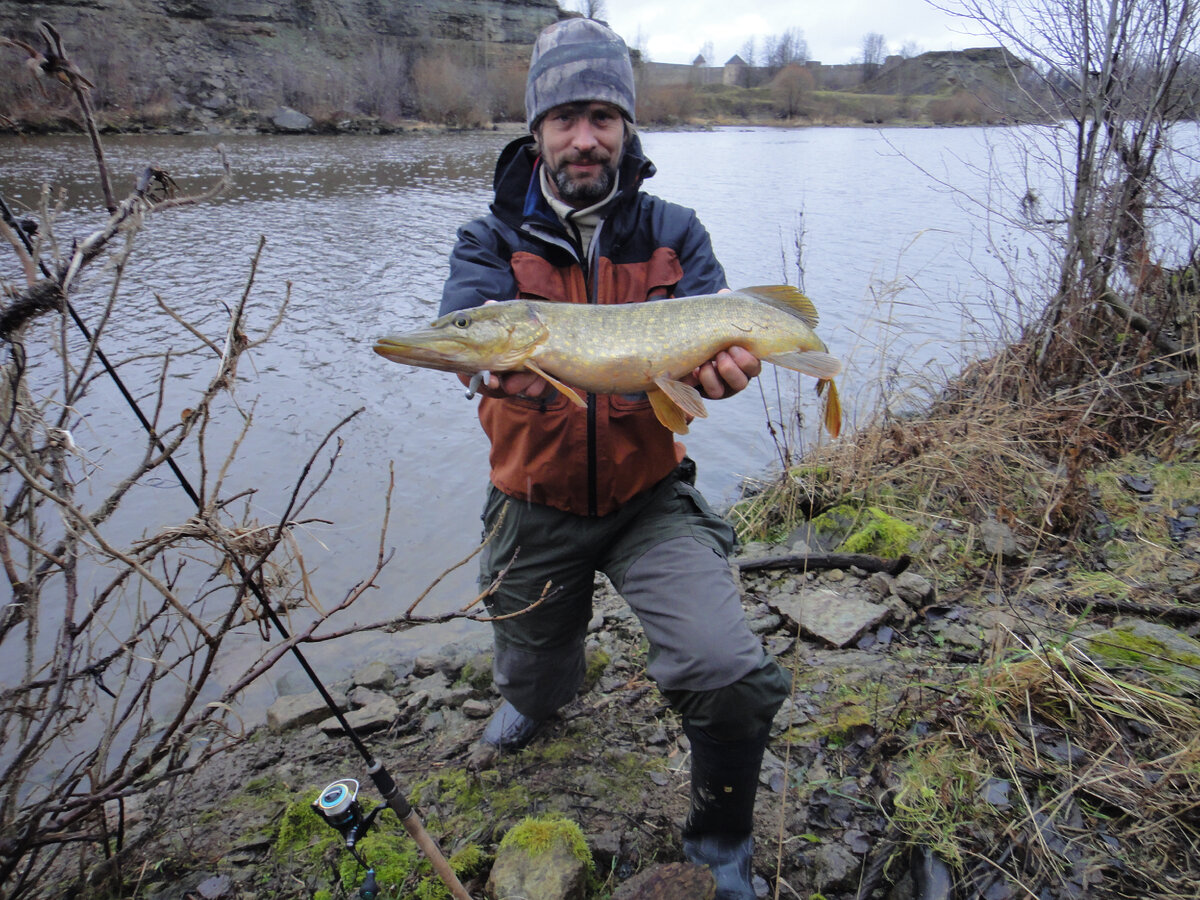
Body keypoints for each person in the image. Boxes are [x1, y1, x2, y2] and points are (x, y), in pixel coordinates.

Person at [438, 17, 789, 900]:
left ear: (627, 127)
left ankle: (720, 843)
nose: (584, 137)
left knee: (725, 670)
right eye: (564, 118)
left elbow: (708, 371)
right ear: (536, 132)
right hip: (534, 500)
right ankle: (540, 690)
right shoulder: (487, 241)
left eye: (601, 115)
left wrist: (722, 375)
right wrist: (497, 368)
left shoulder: (675, 232)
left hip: (646, 496)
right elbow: (467, 344)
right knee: (529, 678)